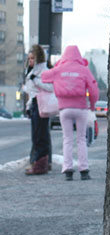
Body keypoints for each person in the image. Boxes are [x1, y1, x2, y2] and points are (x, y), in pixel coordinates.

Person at [42, 45, 99, 181]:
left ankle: (68, 169)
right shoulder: (84, 70)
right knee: (81, 140)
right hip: (81, 108)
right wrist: (91, 104)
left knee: (67, 139)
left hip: (64, 109)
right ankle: (84, 169)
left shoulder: (59, 70)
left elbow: (44, 77)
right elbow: (94, 89)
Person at [23, 45, 54, 175]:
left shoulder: (43, 71)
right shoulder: (31, 71)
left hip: (41, 103)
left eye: (32, 58)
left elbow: (50, 87)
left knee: (41, 134)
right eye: (29, 58)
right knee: (37, 135)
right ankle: (39, 162)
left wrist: (35, 81)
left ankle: (41, 164)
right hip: (34, 103)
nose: (30, 61)